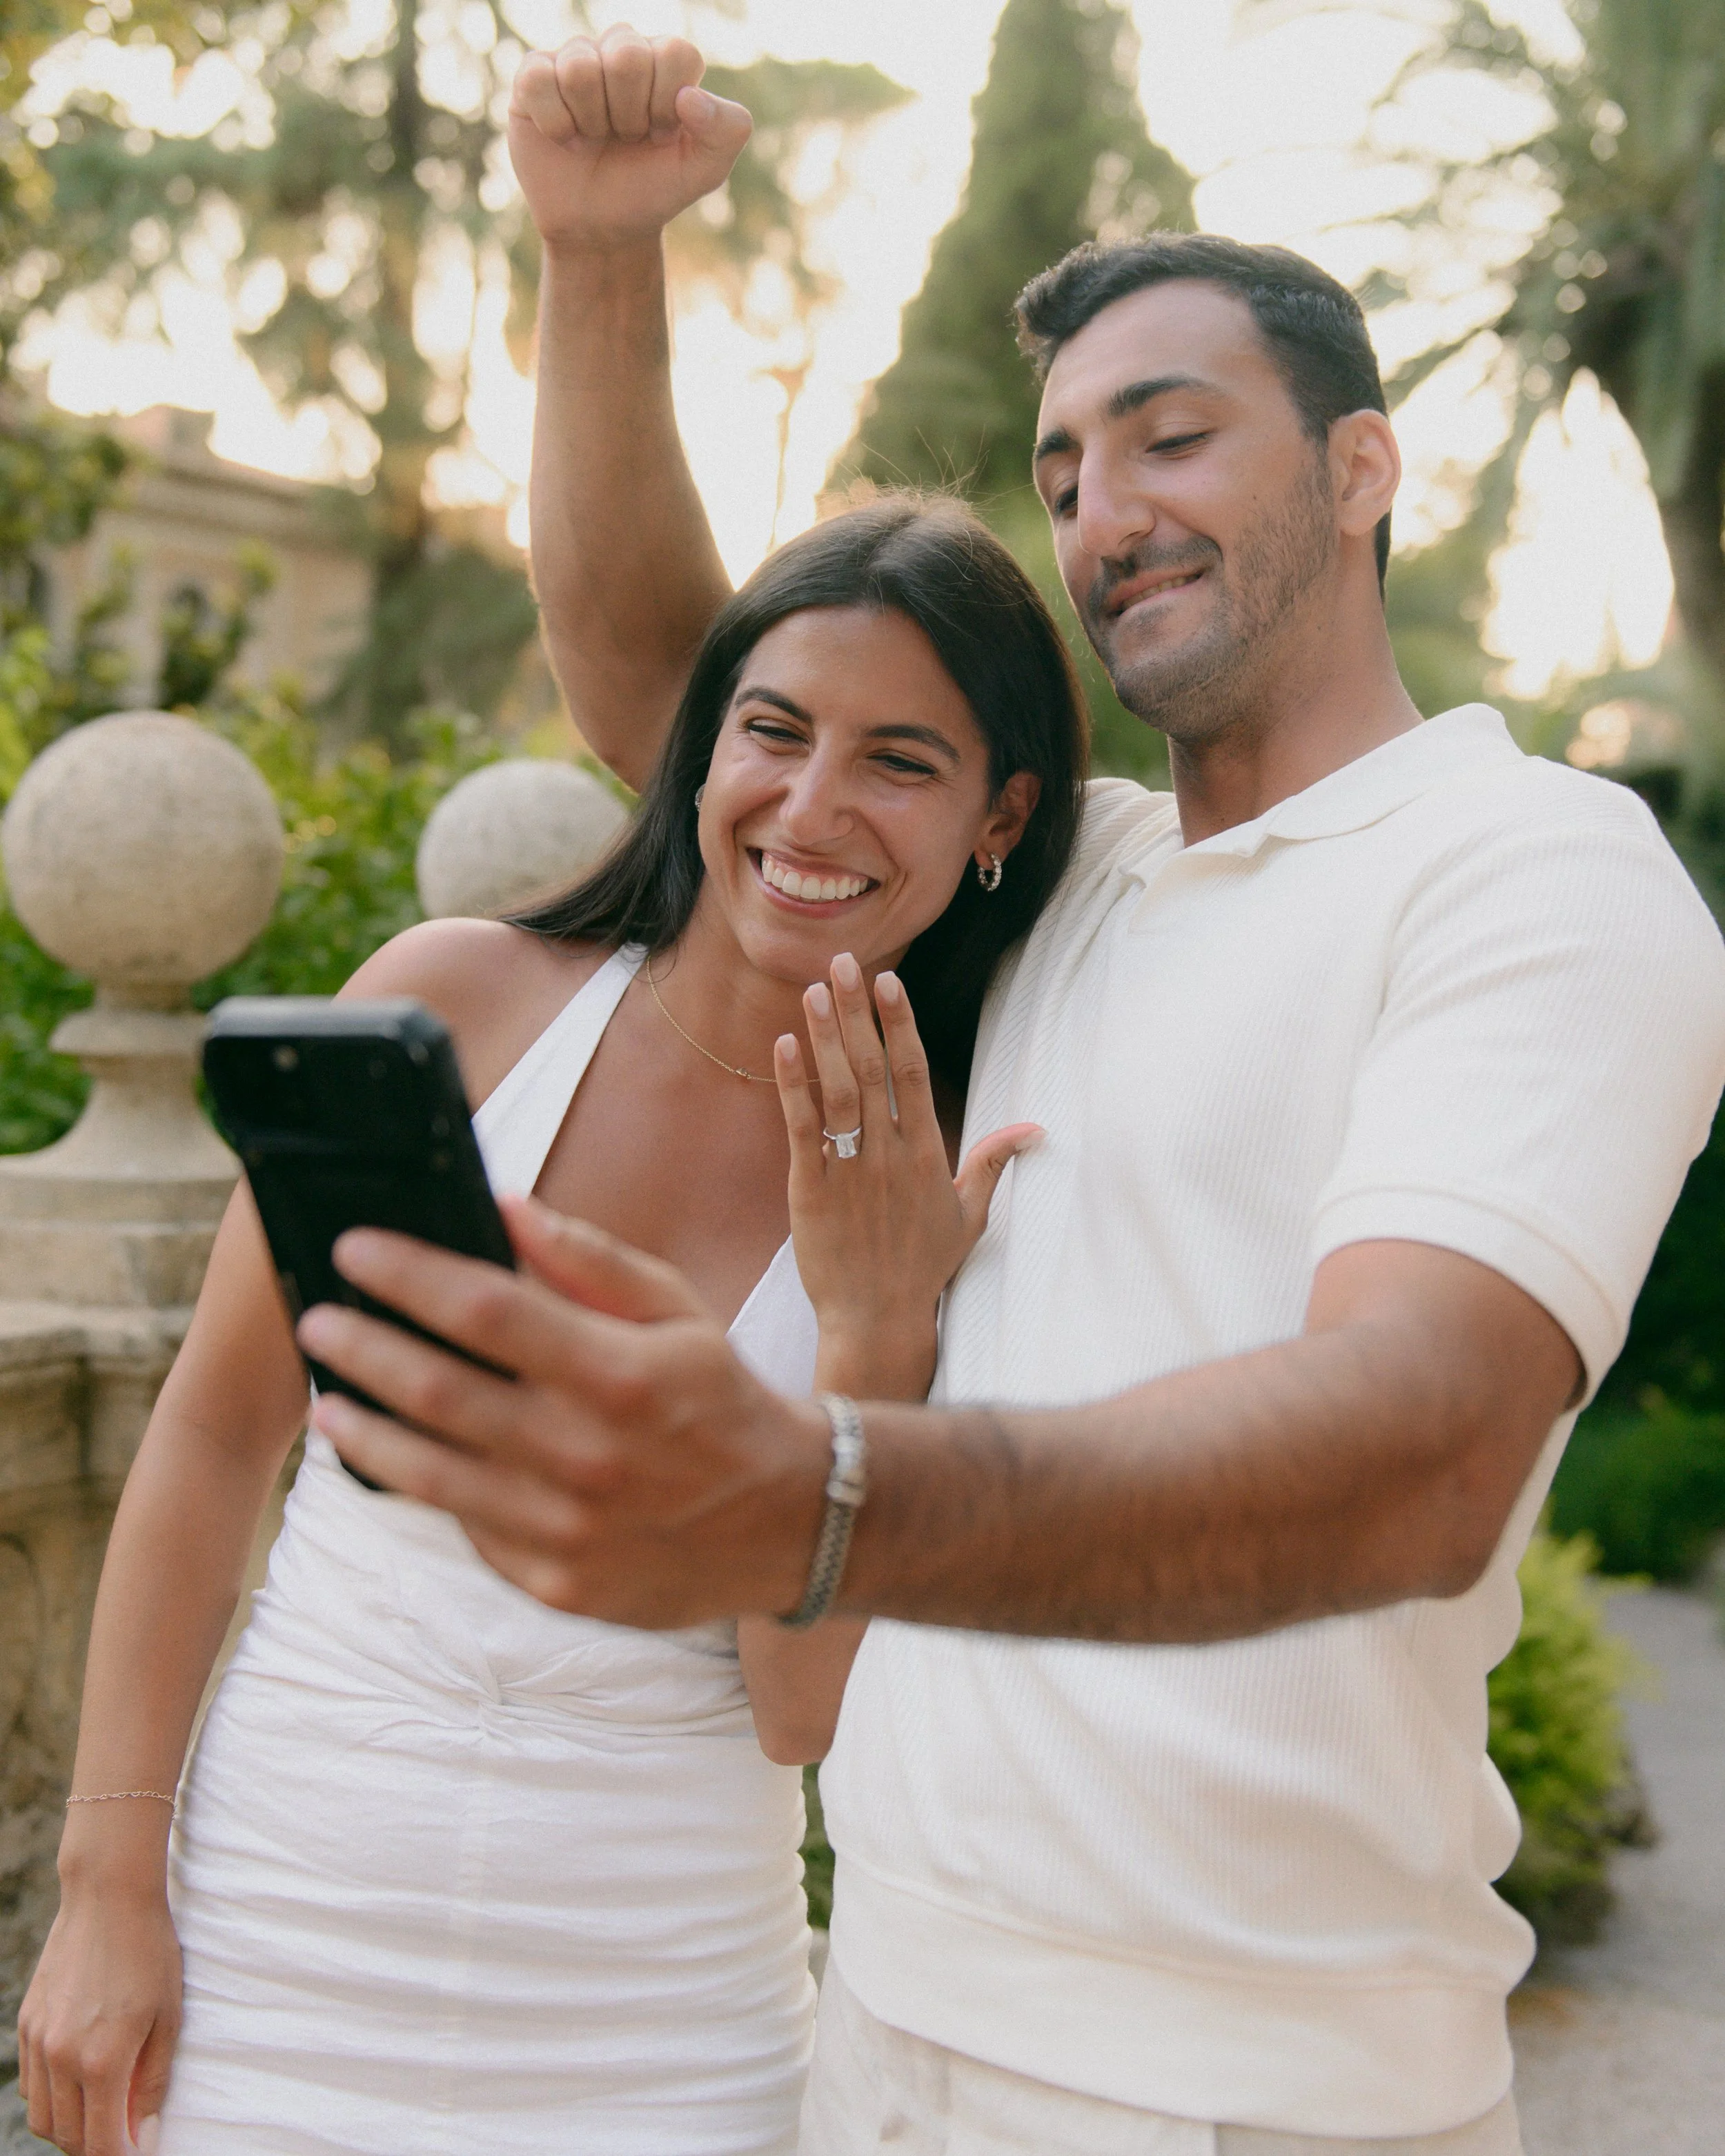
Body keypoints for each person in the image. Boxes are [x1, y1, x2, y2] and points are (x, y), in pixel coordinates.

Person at [275, 28, 1725, 2156]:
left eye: (1168, 438)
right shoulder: (1067, 877)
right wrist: (596, 267)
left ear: (1357, 467)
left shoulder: (1532, 873)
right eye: (1058, 475)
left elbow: (1415, 1443)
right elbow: (679, 698)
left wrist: (818, 1492)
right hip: (880, 2027)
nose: (1102, 514)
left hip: (1249, 2088)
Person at [15, 496, 1088, 2156]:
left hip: (654, 2011)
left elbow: (798, 1713)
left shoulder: (960, 1165)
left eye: (898, 760)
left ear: (999, 812)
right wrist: (106, 1890)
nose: (809, 807)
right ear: (701, 746)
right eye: (773, 730)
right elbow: (217, 1437)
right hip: (271, 1935)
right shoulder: (455, 1000)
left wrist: (872, 1332)